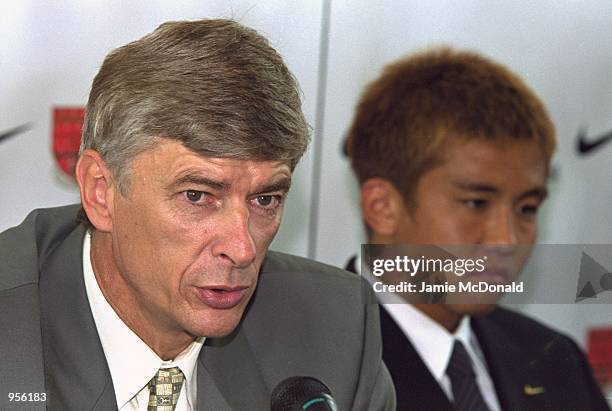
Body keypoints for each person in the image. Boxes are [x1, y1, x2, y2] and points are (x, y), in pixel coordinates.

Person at [0, 19, 394, 410]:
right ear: (100, 191)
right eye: (197, 195)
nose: (242, 249)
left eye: (265, 200)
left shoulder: (333, 332)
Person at [344, 47, 609, 410]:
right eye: (476, 204)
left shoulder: (555, 362)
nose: (507, 240)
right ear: (383, 207)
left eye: (527, 209)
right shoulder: (306, 364)